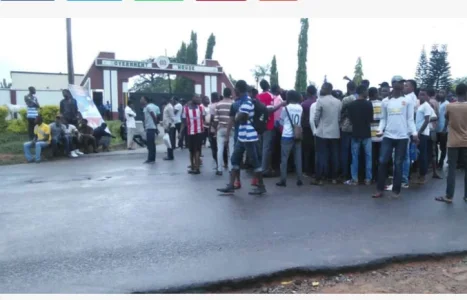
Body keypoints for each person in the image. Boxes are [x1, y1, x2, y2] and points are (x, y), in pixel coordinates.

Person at [373, 76, 418, 199]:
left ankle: (396, 190)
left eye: (403, 83)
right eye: (400, 82)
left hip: (402, 137)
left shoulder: (408, 101)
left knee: (398, 163)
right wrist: (380, 130)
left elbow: (410, 119)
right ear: (393, 84)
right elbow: (383, 119)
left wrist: (414, 133)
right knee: (382, 161)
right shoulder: (385, 101)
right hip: (388, 135)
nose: (402, 84)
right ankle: (379, 189)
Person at [218, 80, 265, 195]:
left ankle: (261, 186)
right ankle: (231, 185)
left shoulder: (247, 101)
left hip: (249, 136)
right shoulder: (240, 102)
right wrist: (238, 116)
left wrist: (238, 115)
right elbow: (238, 117)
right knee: (235, 159)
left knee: (254, 161)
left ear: (237, 89)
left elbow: (240, 117)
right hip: (243, 135)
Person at [435, 84, 467, 204]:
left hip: (453, 141)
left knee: (452, 169)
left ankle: (449, 196)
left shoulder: (449, 106)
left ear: (456, 92)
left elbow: (447, 120)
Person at [313, 82, 342, 185]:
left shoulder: (320, 101)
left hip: (323, 132)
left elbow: (316, 117)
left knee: (322, 155)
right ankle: (334, 177)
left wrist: (317, 126)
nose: (321, 89)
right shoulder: (338, 102)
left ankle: (320, 178)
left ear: (325, 89)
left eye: (322, 87)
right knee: (334, 155)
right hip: (335, 132)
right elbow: (339, 118)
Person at [347, 85, 373, 185]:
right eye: (366, 91)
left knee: (354, 157)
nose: (368, 93)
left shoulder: (351, 105)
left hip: (355, 133)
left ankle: (355, 178)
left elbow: (350, 119)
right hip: (366, 133)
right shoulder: (368, 104)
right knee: (368, 157)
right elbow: (370, 119)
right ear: (363, 92)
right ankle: (368, 178)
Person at [277, 90, 303, 187]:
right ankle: (299, 179)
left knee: (284, 158)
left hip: (287, 135)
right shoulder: (300, 108)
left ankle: (283, 180)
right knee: (298, 158)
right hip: (297, 135)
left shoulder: (286, 108)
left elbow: (281, 122)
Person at [182, 94, 206, 174]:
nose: (199, 99)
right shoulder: (185, 109)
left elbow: (204, 119)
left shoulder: (201, 108)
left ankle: (196, 167)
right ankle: (193, 166)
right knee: (191, 150)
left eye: (199, 98)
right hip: (190, 132)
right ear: (192, 98)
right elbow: (184, 122)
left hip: (199, 132)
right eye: (197, 97)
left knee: (197, 150)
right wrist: (180, 132)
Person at [401, 79, 418, 188]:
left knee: (405, 156)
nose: (404, 87)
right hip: (405, 130)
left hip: (405, 131)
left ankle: (404, 178)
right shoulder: (409, 97)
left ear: (412, 88)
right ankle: (403, 177)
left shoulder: (410, 98)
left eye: (406, 86)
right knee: (404, 156)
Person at [257, 79, 276, 177]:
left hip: (259, 125)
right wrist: (281, 105)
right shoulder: (270, 96)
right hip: (268, 124)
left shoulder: (258, 96)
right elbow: (270, 109)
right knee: (266, 148)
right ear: (268, 85)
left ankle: (259, 167)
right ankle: (264, 169)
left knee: (260, 147)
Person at [214, 88, 234, 176]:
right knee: (231, 149)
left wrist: (215, 129)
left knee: (220, 149)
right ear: (230, 94)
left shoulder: (218, 104)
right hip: (232, 129)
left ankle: (219, 169)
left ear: (223, 94)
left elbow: (215, 119)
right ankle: (231, 168)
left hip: (221, 128)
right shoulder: (233, 104)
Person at [340, 81, 357, 181]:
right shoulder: (360, 97)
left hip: (346, 127)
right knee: (354, 152)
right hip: (357, 128)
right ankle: (354, 173)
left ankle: (345, 173)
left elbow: (340, 111)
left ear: (347, 88)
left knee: (345, 151)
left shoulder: (346, 99)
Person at [301, 85, 317, 177]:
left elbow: (302, 117)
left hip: (306, 128)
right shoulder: (317, 102)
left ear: (307, 92)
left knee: (306, 150)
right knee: (315, 150)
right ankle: (315, 170)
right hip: (316, 128)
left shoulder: (304, 104)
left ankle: (307, 170)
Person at [369, 87, 383, 182]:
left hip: (370, 135)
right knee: (380, 157)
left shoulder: (367, 104)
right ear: (374, 94)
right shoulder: (381, 103)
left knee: (372, 157)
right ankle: (380, 176)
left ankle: (373, 176)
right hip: (380, 134)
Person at [141, 96, 159, 164]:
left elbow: (153, 116)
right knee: (151, 144)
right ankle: (152, 158)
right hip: (149, 127)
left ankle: (150, 158)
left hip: (151, 127)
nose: (141, 100)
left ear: (145, 101)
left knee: (150, 144)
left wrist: (155, 126)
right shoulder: (145, 108)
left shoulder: (148, 107)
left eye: (142, 99)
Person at [436, 89, 449, 169]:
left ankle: (441, 163)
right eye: (440, 92)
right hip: (437, 128)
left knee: (442, 147)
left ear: (446, 94)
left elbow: (448, 117)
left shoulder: (447, 104)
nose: (440, 94)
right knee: (435, 146)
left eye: (442, 92)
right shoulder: (439, 103)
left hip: (443, 129)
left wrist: (445, 128)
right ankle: (436, 162)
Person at [207, 92, 220, 169]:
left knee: (214, 148)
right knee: (221, 148)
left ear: (212, 98)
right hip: (221, 127)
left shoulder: (212, 106)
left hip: (213, 129)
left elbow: (212, 118)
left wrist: (209, 128)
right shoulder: (221, 104)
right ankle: (224, 163)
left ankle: (218, 164)